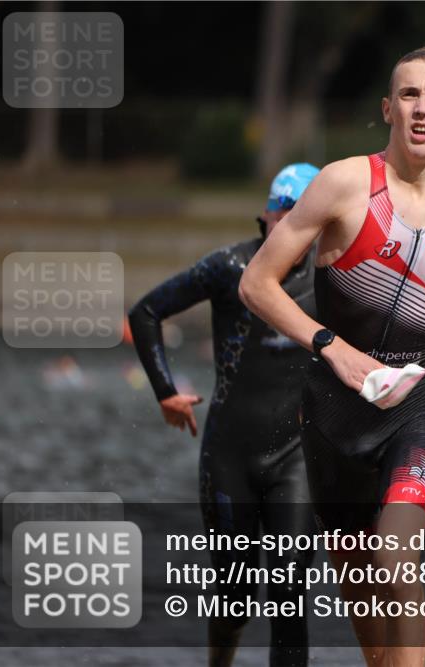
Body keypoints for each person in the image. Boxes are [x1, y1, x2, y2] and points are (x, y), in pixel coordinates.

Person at [239, 46, 425, 667]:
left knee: (397, 551)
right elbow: (256, 284)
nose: (422, 108)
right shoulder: (343, 183)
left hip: (418, 407)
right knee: (359, 580)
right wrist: (332, 349)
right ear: (387, 109)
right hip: (331, 412)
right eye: (409, 95)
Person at [128, 163, 321, 667]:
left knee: (289, 589)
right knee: (234, 596)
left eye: (300, 217)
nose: (287, 228)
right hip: (229, 455)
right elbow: (146, 312)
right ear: (265, 219)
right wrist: (165, 392)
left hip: (298, 459)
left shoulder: (335, 279)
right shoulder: (231, 268)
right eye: (280, 215)